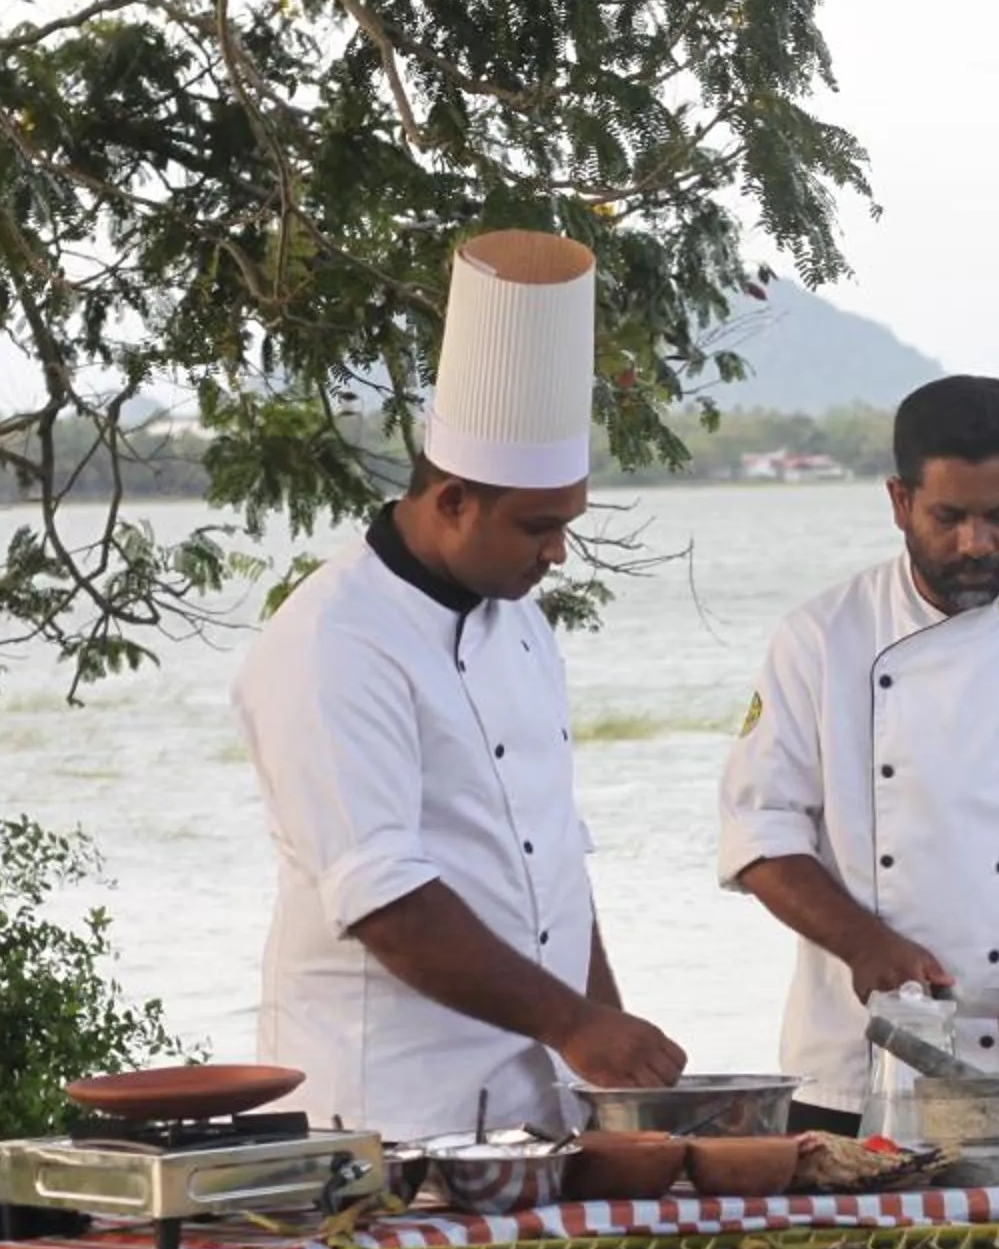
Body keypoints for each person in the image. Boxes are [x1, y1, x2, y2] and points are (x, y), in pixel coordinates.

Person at [232, 231, 685, 1139]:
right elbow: (386, 902)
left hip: (540, 1106)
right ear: (451, 502)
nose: (558, 553)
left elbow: (554, 860)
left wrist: (610, 1063)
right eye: (538, 527)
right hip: (387, 1114)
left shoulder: (522, 625)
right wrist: (574, 1024)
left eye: (567, 524)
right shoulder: (333, 640)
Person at [717, 375, 999, 1134]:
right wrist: (864, 944)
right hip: (844, 1065)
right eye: (949, 517)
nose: (977, 544)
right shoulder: (821, 638)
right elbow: (760, 831)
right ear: (899, 500)